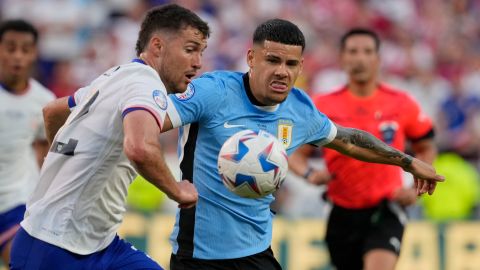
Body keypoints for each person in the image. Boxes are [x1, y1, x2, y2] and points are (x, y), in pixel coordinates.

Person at [160, 20, 444, 270]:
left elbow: (350, 142)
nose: (282, 71)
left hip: (256, 253)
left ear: (301, 67)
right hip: (197, 256)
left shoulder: (301, 109)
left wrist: (407, 162)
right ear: (251, 58)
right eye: (272, 60)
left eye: (291, 64)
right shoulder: (213, 91)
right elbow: (150, 121)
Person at [9, 4, 210, 270]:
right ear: (158, 46)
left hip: (101, 246)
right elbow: (139, 148)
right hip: (53, 248)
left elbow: (53, 111)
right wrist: (178, 190)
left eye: (201, 52)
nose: (198, 62)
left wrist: (61, 156)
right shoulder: (145, 85)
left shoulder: (114, 76)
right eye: (190, 49)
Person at [289, 28, 438, 270]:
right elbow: (295, 154)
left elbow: (426, 146)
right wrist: (309, 174)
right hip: (341, 211)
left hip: (386, 208)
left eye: (367, 52)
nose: (360, 58)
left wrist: (414, 189)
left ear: (378, 59)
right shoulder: (323, 105)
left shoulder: (401, 103)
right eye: (353, 51)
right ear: (342, 58)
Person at [0, 19, 55, 267]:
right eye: (10, 48)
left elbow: (47, 150)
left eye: (25, 49)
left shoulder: (44, 101)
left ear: (34, 53)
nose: (17, 57)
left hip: (16, 204)